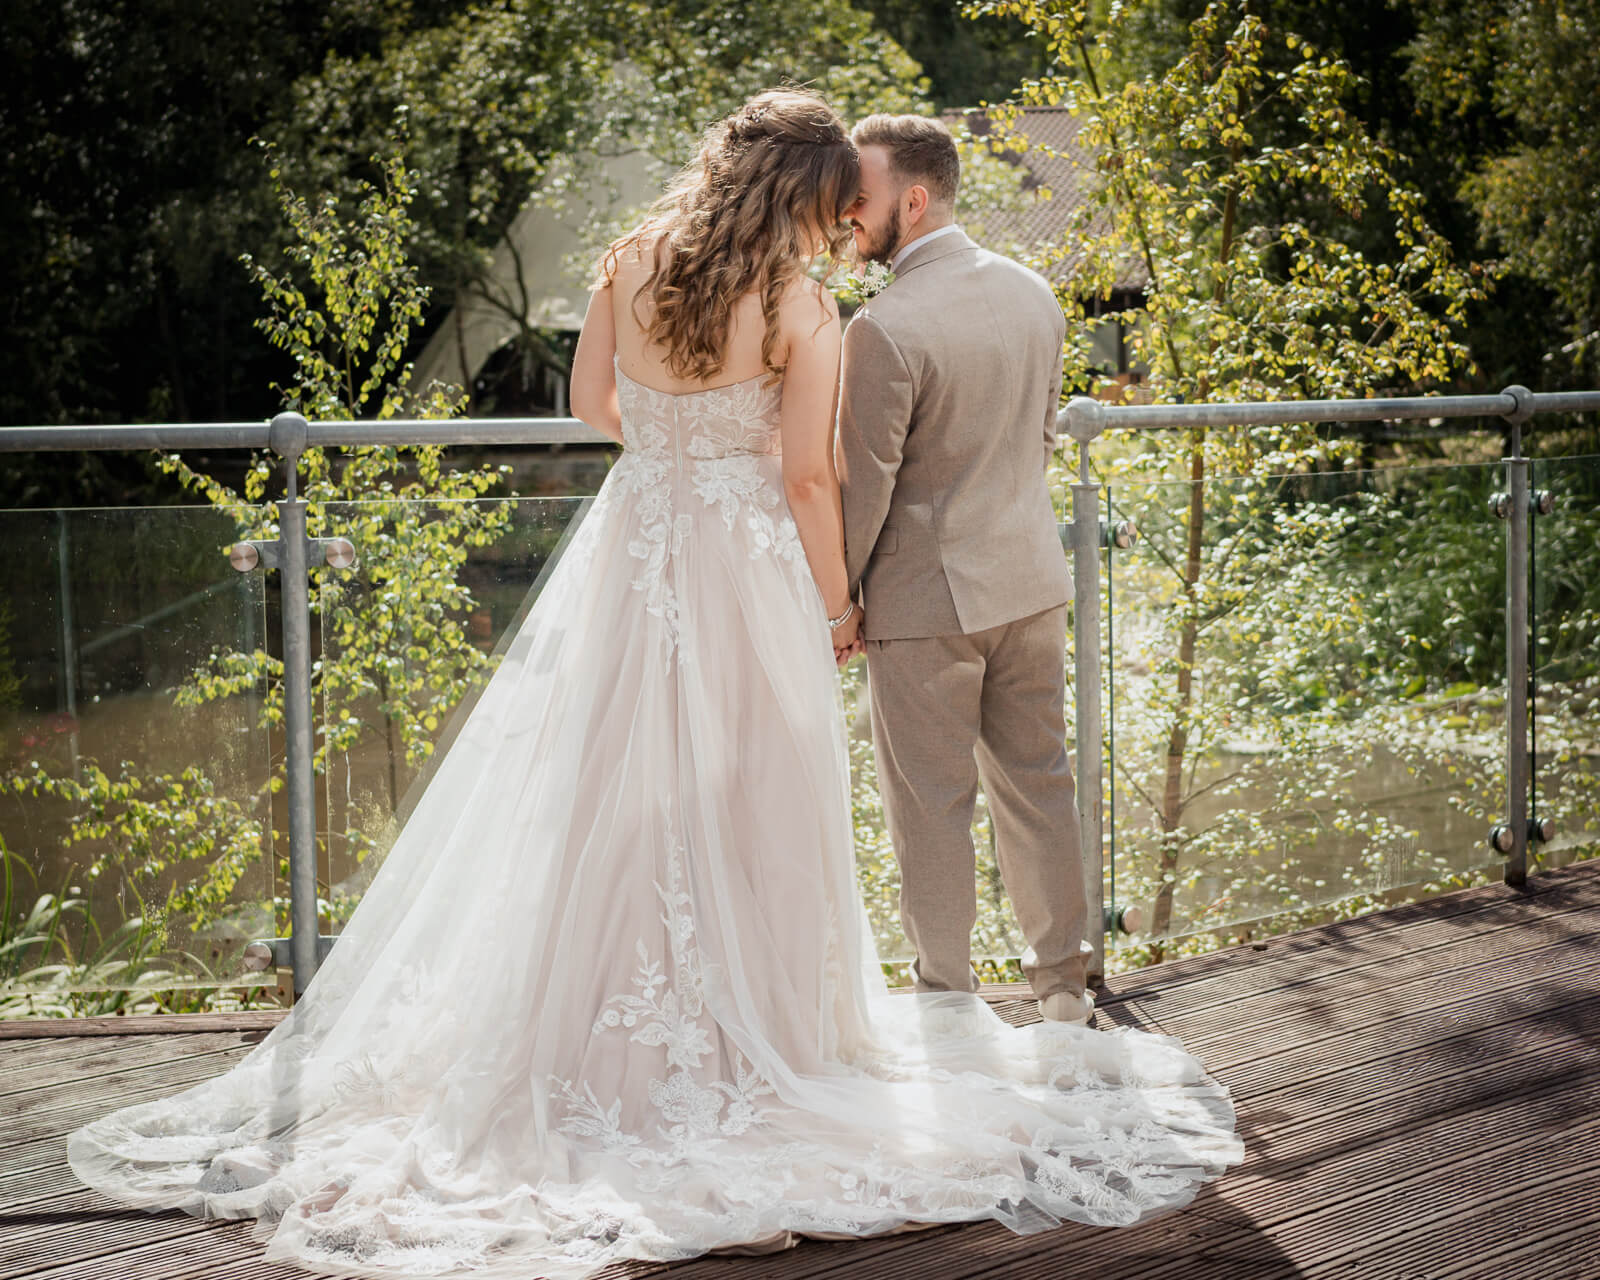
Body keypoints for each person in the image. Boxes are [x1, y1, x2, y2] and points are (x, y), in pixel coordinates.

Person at [65, 90, 1241, 1279]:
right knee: (757, 796)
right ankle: (773, 1033)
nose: (841, 230)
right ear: (801, 197)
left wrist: (674, 457)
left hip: (637, 551)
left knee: (605, 785)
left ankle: (595, 1040)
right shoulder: (799, 301)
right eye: (832, 207)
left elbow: (590, 409)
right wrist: (835, 604)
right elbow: (808, 482)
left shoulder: (630, 262)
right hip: (747, 568)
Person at [835, 114, 1095, 1025]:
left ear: (914, 197)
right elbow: (1040, 434)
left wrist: (840, 603)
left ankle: (948, 1001)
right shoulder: (1036, 291)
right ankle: (1063, 986)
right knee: (1040, 785)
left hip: (923, 603)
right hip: (1030, 577)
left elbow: (861, 490)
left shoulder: (883, 326)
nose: (846, 216)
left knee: (932, 810)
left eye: (858, 197)